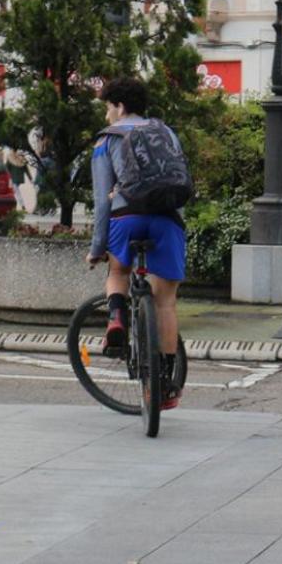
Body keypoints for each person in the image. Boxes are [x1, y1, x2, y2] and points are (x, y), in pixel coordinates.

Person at [87, 77, 187, 409]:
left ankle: (116, 317)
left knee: (118, 271)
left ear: (119, 106)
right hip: (166, 217)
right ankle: (167, 384)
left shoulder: (107, 140)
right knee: (165, 302)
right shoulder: (166, 133)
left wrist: (97, 247)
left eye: (107, 108)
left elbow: (102, 201)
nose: (106, 116)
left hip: (126, 216)